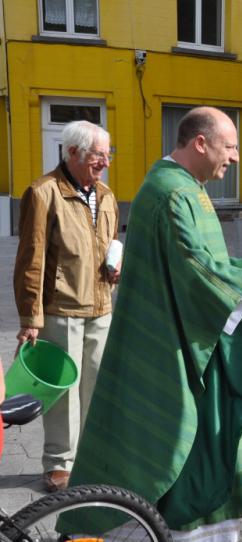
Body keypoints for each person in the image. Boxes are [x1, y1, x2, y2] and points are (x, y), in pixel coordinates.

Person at [65, 107, 242, 542]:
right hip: (169, 339)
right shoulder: (173, 192)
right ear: (201, 143)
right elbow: (193, 268)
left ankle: (202, 534)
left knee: (200, 434)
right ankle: (108, 535)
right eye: (229, 147)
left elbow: (200, 261)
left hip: (188, 330)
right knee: (162, 434)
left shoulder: (182, 187)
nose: (233, 158)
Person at [13, 120, 120, 493]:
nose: (105, 162)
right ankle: (60, 463)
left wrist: (114, 265)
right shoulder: (43, 192)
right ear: (73, 152)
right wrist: (31, 318)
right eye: (98, 154)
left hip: (101, 307)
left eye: (108, 154)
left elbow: (108, 243)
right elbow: (31, 258)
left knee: (97, 389)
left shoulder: (106, 195)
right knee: (63, 394)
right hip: (60, 309)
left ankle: (91, 458)